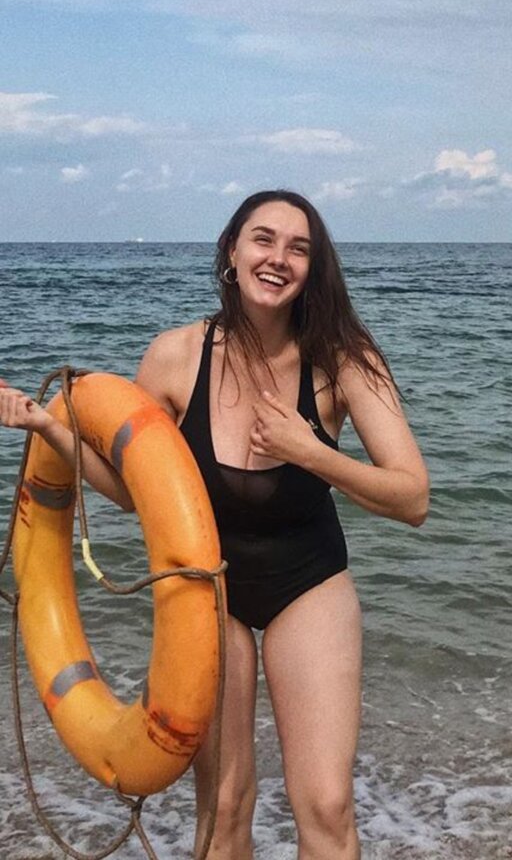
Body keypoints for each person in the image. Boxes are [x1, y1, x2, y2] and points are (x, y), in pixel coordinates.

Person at [0, 189, 429, 860]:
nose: (278, 258)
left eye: (299, 248)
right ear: (232, 250)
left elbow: (412, 497)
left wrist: (310, 451)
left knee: (326, 804)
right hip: (207, 589)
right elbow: (133, 494)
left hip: (308, 582)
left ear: (313, 269)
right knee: (225, 806)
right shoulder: (176, 356)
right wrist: (50, 428)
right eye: (263, 239)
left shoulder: (343, 359)